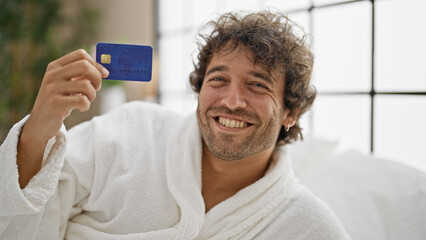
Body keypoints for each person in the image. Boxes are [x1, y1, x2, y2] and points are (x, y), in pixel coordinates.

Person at [0, 11, 350, 239]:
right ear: (199, 91)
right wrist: (39, 129)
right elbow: (18, 218)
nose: (231, 100)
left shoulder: (310, 228)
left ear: (291, 112)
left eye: (257, 85)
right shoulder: (128, 132)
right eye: (217, 80)